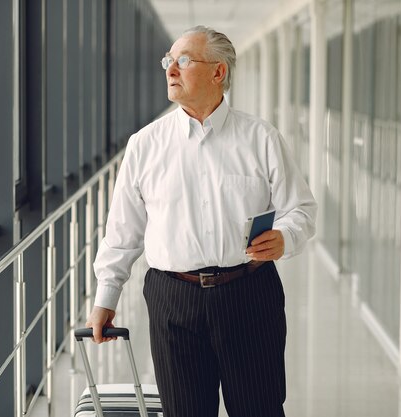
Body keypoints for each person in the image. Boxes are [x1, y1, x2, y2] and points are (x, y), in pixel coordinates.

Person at [86, 25, 316, 417]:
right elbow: (123, 231)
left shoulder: (261, 138)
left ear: (218, 72)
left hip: (249, 294)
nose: (171, 69)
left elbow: (302, 210)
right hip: (172, 301)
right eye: (168, 61)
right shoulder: (145, 145)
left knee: (259, 409)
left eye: (184, 60)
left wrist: (285, 237)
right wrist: (107, 296)